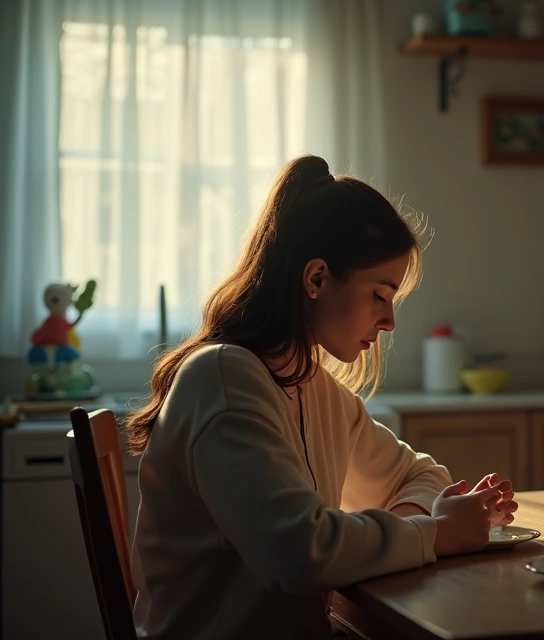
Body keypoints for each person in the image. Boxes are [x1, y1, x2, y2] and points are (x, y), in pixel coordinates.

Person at [121, 155, 517, 639]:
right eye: (379, 295)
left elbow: (421, 474)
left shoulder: (312, 386)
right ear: (315, 279)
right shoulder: (222, 378)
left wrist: (427, 525)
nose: (390, 321)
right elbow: (297, 554)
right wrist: (434, 535)